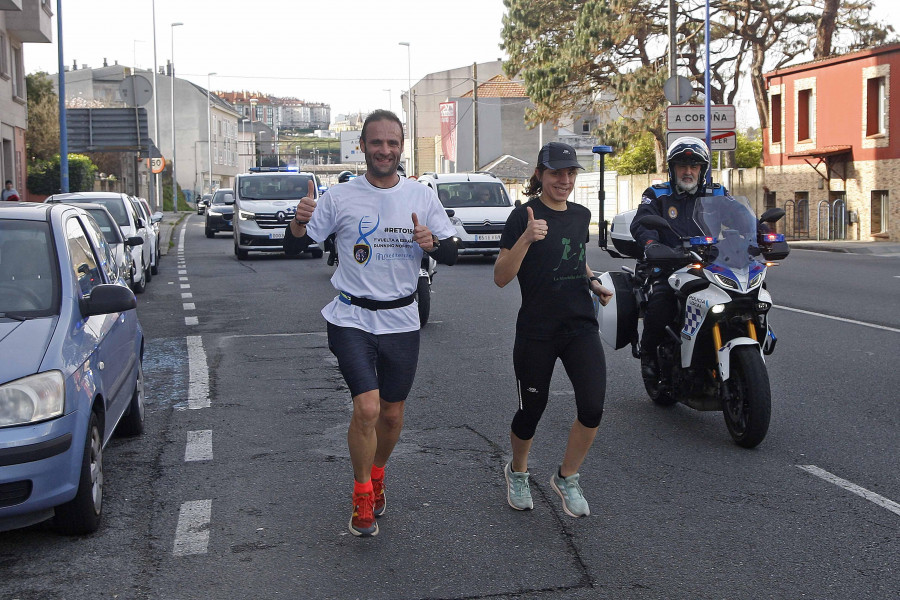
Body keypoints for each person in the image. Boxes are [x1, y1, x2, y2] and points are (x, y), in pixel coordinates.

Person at [282, 109, 459, 537]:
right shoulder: (341, 197)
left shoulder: (420, 196)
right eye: (376, 142)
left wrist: (432, 243)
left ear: (401, 148)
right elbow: (295, 247)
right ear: (362, 146)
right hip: (351, 315)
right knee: (367, 407)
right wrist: (300, 221)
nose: (384, 150)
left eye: (392, 143)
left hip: (401, 317)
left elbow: (453, 252)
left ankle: (377, 474)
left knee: (393, 416)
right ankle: (362, 493)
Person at [494, 141, 613, 518]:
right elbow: (501, 277)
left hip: (580, 325)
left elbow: (576, 259)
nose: (564, 180)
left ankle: (567, 477)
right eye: (556, 173)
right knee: (532, 409)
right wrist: (527, 238)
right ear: (540, 175)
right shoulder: (522, 217)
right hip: (537, 330)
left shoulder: (581, 215)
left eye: (570, 173)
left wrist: (593, 281)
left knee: (592, 406)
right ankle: (518, 471)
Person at [629, 136, 726, 382]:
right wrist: (651, 244)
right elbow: (642, 223)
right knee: (661, 303)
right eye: (682, 166)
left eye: (694, 166)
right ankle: (649, 354)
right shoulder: (657, 194)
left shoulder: (717, 193)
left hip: (710, 265)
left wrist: (759, 234)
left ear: (702, 169)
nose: (688, 171)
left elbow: (739, 218)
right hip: (669, 266)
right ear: (672, 168)